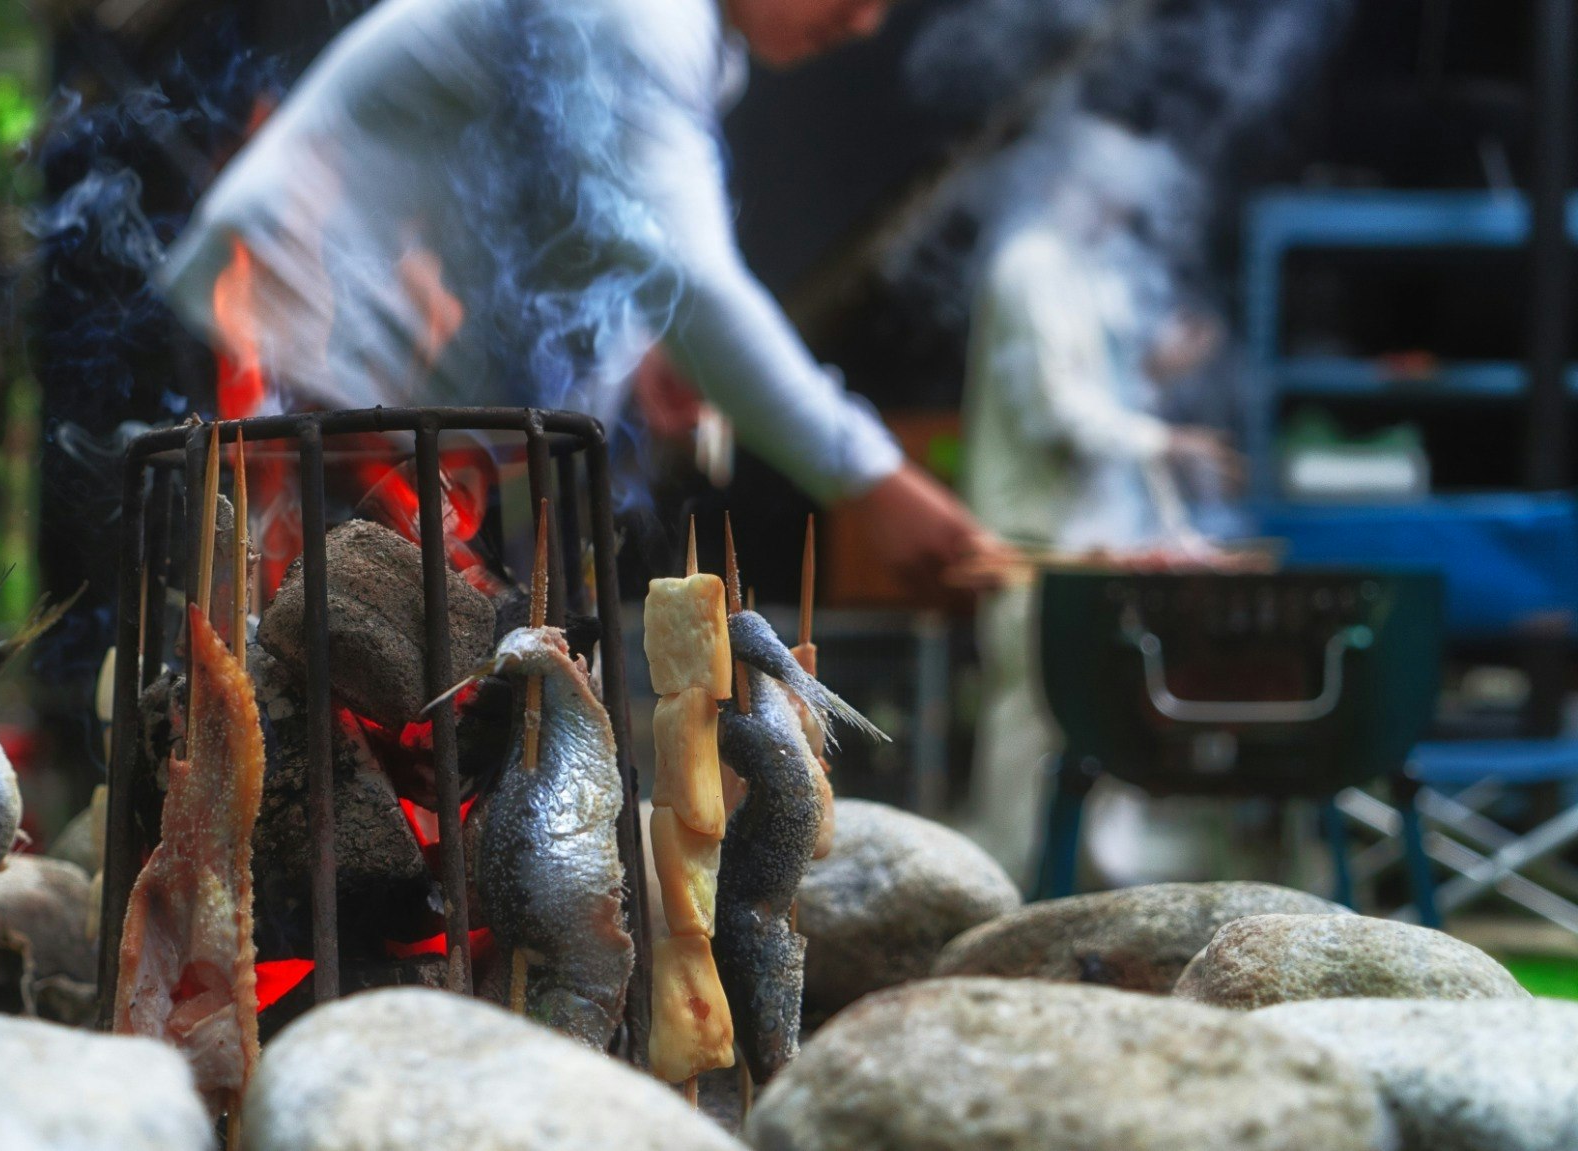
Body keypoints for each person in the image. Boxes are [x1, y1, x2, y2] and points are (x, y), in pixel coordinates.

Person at [158, 0, 1007, 599]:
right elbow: (692, 278)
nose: (867, 20)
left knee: (406, 680)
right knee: (339, 677)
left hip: (350, 386)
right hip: (280, 350)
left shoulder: (691, 39)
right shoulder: (639, 13)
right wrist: (867, 476)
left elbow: (585, 224)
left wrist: (640, 352)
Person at [960, 117, 1243, 887]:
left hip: (1093, 539)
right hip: (1035, 538)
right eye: (1115, 202)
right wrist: (1167, 441)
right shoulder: (1029, 266)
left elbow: (1102, 399)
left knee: (1098, 714)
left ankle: (1093, 886)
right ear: (1078, 188)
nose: (1123, 221)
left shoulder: (1081, 272)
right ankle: (1004, 888)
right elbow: (1057, 411)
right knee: (1029, 718)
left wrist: (1153, 374)